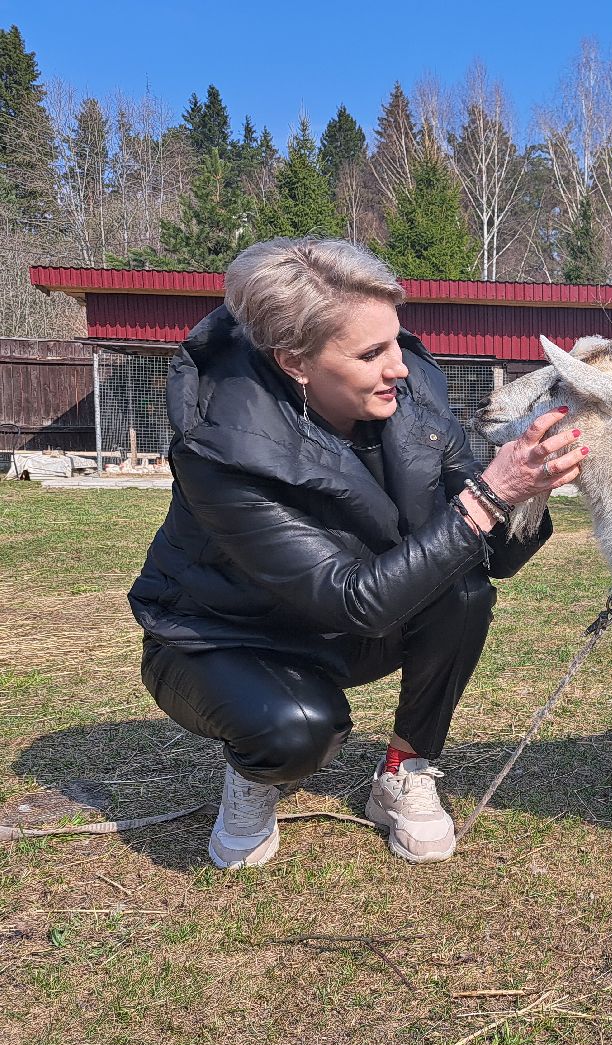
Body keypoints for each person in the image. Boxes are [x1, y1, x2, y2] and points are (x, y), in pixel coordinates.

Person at [129, 237, 584, 869]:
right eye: (372, 353)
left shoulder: (413, 392)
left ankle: (405, 768)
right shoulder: (223, 447)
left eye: (397, 340)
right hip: (224, 639)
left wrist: (527, 490)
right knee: (298, 730)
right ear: (296, 362)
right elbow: (353, 599)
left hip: (347, 623)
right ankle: (255, 770)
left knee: (463, 588)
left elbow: (494, 558)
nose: (399, 365)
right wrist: (490, 494)